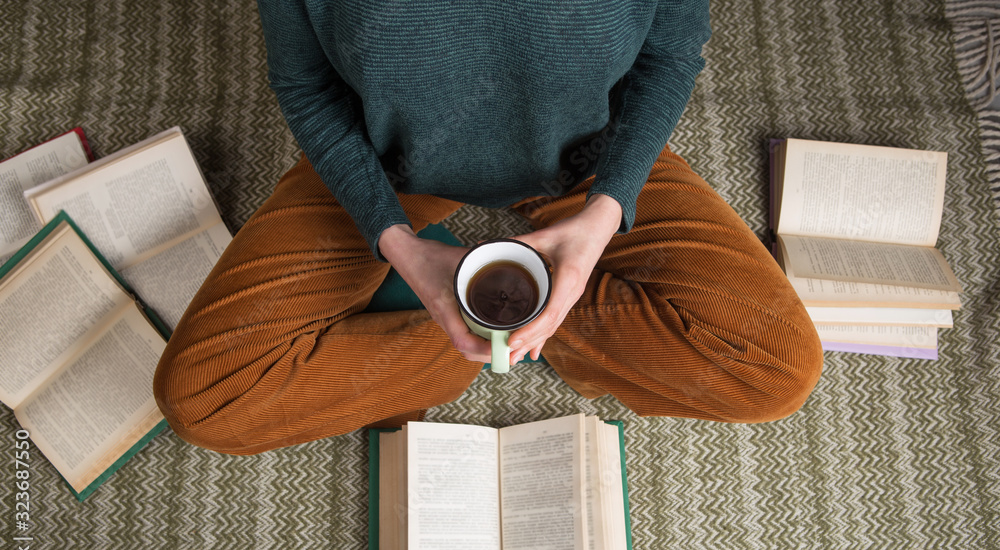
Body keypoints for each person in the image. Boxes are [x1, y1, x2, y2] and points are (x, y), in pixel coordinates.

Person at [152, 0, 823, 455]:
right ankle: (475, 334)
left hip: (588, 164)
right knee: (204, 399)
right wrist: (396, 242)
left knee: (777, 370)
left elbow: (670, 56)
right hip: (386, 165)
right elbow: (304, 85)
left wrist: (606, 212)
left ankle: (544, 319)